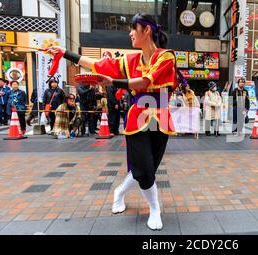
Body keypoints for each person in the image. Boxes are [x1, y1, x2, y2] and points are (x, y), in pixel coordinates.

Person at [47, 13, 179, 230]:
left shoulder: (166, 57)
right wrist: (65, 54)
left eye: (132, 29)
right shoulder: (130, 60)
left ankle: (119, 192)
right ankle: (155, 209)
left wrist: (114, 81)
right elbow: (99, 65)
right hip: (138, 117)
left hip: (160, 118)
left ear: (146, 30)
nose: (129, 33)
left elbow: (147, 80)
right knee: (144, 170)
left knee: (146, 170)